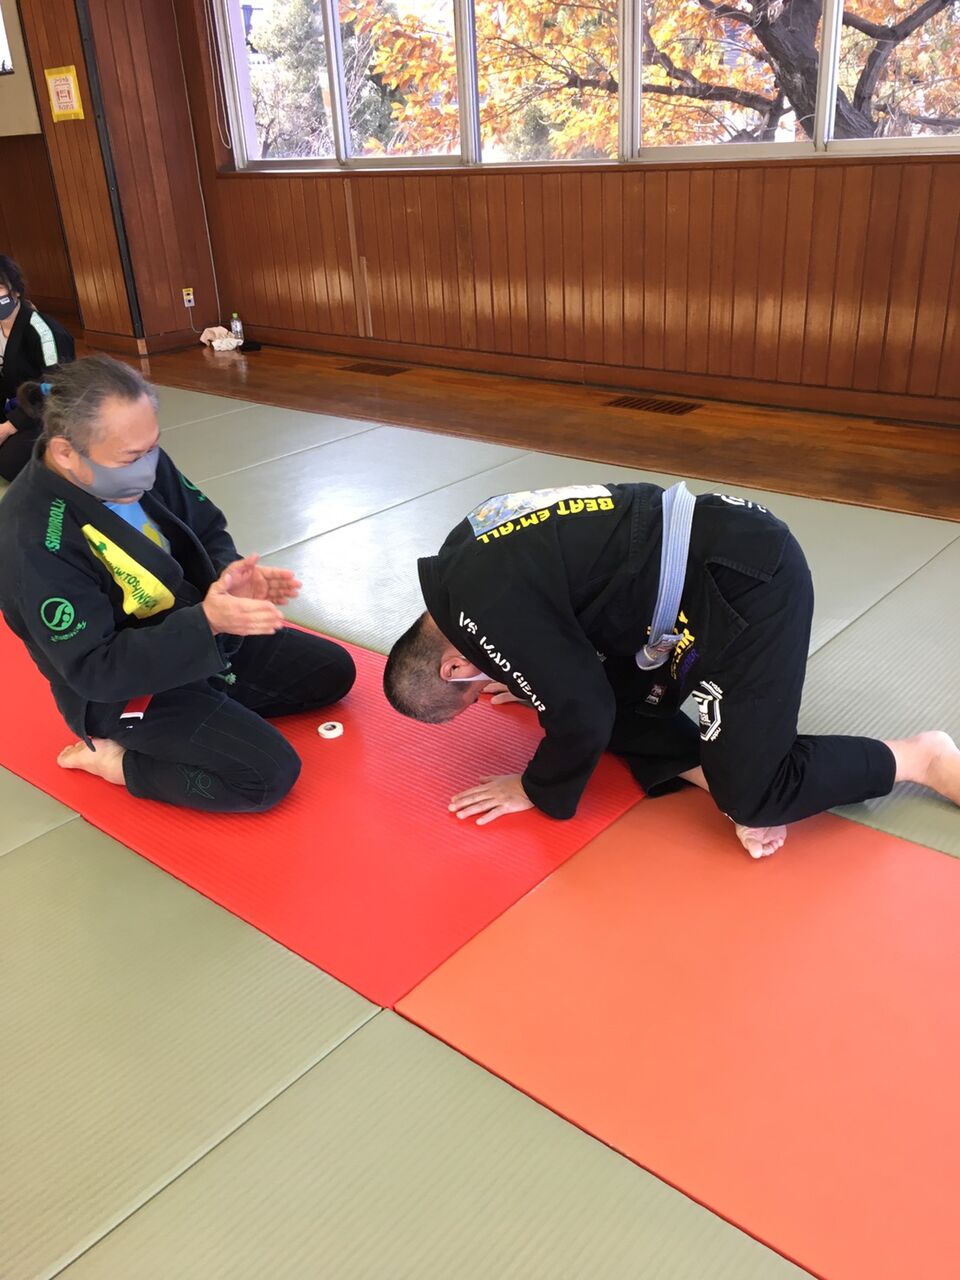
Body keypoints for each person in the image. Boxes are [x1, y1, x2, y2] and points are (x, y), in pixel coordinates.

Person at [384, 482, 960, 858]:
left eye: (472, 689)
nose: (483, 689)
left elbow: (583, 712)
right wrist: (528, 675)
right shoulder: (460, 560)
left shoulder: (487, 617)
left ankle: (920, 758)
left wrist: (535, 787)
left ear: (453, 665)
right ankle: (721, 771)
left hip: (743, 585)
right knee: (600, 709)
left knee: (755, 796)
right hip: (710, 543)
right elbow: (551, 596)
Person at [0, 355, 355, 813]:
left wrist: (228, 579)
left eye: (152, 448)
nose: (147, 468)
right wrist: (207, 623)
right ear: (66, 452)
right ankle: (118, 763)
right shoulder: (33, 538)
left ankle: (209, 704)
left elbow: (207, 528)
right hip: (120, 685)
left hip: (196, 632)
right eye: (132, 457)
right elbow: (94, 668)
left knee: (333, 673)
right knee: (266, 774)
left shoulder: (137, 458)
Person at [0, 254, 75, 482]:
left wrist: (9, 426)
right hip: (11, 408)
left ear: (15, 291)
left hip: (45, 414)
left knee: (10, 463)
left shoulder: (44, 332)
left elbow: (55, 387)